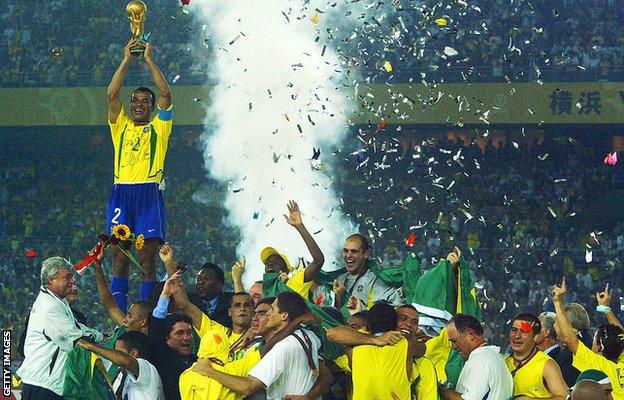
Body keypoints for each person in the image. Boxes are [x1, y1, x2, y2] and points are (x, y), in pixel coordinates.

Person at [106, 37, 173, 313]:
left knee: (147, 263)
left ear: (152, 106)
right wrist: (125, 59)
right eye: (135, 100)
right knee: (119, 262)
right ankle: (119, 320)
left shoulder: (160, 127)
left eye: (145, 101)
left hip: (148, 193)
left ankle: (146, 316)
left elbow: (167, 95)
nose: (138, 104)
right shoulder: (120, 126)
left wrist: (148, 59)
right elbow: (112, 95)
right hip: (121, 191)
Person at [190, 292, 322, 400]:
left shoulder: (281, 348)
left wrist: (209, 371)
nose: (267, 314)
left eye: (271, 310)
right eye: (256, 313)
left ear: (284, 316)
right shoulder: (311, 337)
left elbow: (248, 387)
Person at [17, 256, 104, 400]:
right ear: (51, 280)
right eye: (67, 278)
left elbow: (78, 328)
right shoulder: (49, 307)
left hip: (47, 385)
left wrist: (101, 336)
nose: (72, 282)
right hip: (42, 387)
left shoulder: (57, 301)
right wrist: (104, 347)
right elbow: (74, 340)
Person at [327, 302, 425, 400]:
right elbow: (423, 348)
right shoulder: (407, 345)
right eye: (403, 319)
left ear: (367, 325)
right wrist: (377, 339)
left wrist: (375, 339)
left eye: (414, 322)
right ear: (394, 322)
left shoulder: (354, 345)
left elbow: (332, 334)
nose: (408, 324)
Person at [553, 277, 624, 400]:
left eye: (595, 340)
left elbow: (570, 339)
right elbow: (620, 336)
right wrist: (605, 309)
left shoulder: (599, 365)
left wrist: (557, 302)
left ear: (600, 347)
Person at [259, 200, 325, 299]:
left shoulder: (295, 280)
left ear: (285, 269)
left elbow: (318, 260)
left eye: (276, 262)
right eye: (267, 262)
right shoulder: (262, 292)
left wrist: (299, 226)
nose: (269, 264)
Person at [438, 313, 513, 400]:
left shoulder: (480, 359)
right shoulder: (496, 357)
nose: (453, 347)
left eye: (454, 341)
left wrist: (442, 389)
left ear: (470, 335)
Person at [77, 331, 165, 400]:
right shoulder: (127, 377)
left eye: (119, 352)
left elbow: (126, 361)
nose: (115, 360)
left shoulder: (146, 367)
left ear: (134, 353)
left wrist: (91, 346)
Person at [504, 312, 569, 400]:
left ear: (535, 336)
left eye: (524, 331)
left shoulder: (547, 365)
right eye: (514, 330)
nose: (517, 336)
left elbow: (564, 398)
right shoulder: (503, 362)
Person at [333, 233, 402, 309]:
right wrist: (338, 298)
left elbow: (398, 307)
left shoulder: (375, 280)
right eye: (346, 251)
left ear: (365, 254)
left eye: (354, 251)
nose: (348, 255)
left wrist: (362, 310)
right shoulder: (341, 279)